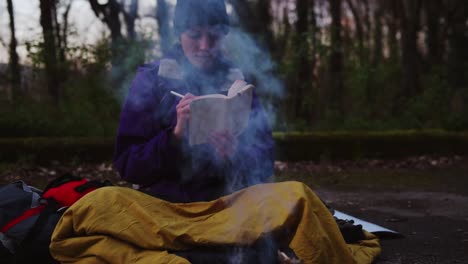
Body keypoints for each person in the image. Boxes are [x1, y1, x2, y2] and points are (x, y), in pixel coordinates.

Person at [113, 0, 275, 203]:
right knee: (103, 201)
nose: (204, 46)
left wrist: (235, 154)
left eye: (214, 35)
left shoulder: (238, 85)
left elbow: (266, 161)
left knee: (297, 195)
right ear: (179, 33)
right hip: (160, 205)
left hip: (226, 205)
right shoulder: (152, 80)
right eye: (195, 35)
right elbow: (128, 165)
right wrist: (174, 137)